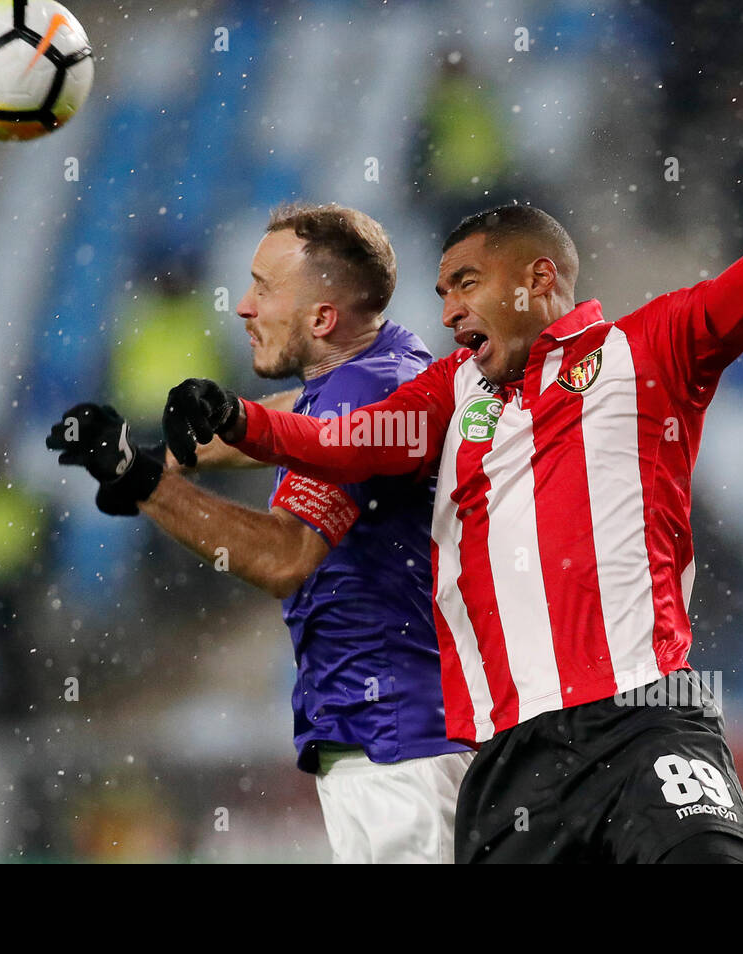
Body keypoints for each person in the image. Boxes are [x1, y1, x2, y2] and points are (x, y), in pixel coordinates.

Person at [160, 39, 743, 863]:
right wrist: (241, 422)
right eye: (442, 292)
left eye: (465, 284)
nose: (448, 310)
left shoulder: (651, 347)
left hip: (643, 724)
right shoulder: (452, 391)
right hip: (511, 762)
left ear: (537, 278)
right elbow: (346, 443)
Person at [46, 203, 473, 863]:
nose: (242, 306)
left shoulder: (364, 400)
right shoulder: (388, 361)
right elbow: (294, 414)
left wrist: (140, 480)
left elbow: (285, 555)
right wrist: (171, 449)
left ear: (322, 318)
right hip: (407, 734)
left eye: (264, 289)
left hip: (397, 742)